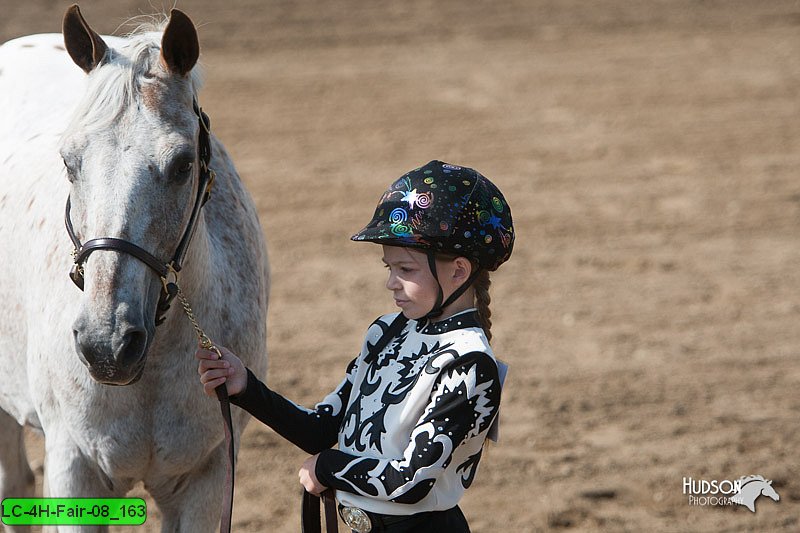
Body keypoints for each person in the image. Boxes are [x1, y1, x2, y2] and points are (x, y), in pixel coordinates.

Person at [197, 160, 514, 532]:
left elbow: (409, 481)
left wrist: (328, 468)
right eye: (389, 269)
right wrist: (245, 386)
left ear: (458, 271)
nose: (392, 283)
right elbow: (321, 428)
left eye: (406, 270)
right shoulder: (387, 331)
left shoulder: (471, 363)